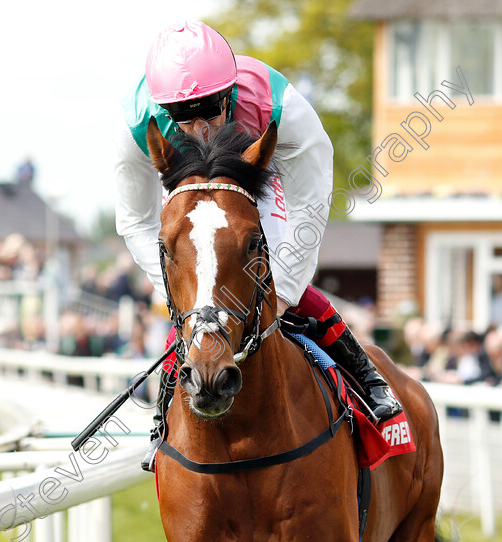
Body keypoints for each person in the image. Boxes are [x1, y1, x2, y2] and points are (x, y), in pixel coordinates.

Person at [114, 22, 402, 472]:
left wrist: (282, 292)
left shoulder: (283, 109)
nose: (199, 128)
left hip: (263, 179)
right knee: (199, 288)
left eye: (210, 111)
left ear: (228, 96)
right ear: (162, 108)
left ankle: (367, 375)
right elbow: (134, 219)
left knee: (255, 268)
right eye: (182, 116)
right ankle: (163, 415)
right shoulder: (137, 125)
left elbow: (310, 205)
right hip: (188, 193)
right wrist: (183, 286)